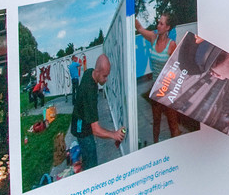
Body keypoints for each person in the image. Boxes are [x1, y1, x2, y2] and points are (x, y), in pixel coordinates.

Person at [70, 54, 125, 171]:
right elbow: (95, 130)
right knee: (91, 162)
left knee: (87, 156)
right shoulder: (89, 94)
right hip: (82, 130)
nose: (106, 79)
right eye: (105, 76)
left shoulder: (89, 72)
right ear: (97, 71)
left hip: (79, 120)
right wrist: (114, 134)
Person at [136, 14, 181, 143]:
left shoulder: (171, 45)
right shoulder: (153, 38)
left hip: (168, 90)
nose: (158, 25)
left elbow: (178, 69)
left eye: (161, 24)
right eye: (158, 23)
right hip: (155, 89)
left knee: (172, 124)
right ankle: (155, 145)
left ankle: (176, 150)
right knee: (156, 123)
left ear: (167, 27)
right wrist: (128, 11)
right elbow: (139, 28)